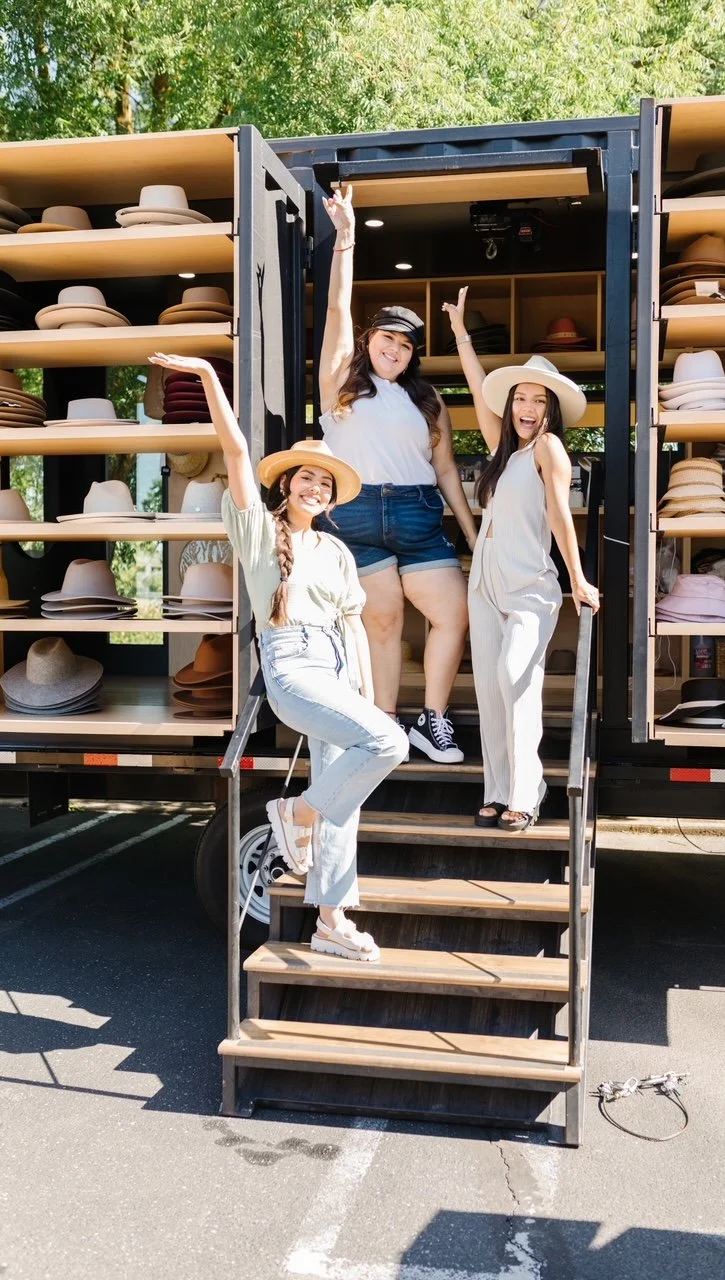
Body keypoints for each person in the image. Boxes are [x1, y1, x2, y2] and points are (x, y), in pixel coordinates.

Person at [150, 352, 409, 963]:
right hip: (292, 668)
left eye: (325, 482)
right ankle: (296, 812)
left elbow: (356, 628)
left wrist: (370, 702)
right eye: (305, 478)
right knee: (387, 747)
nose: (314, 487)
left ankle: (330, 919)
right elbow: (236, 453)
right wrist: (211, 380)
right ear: (285, 484)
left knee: (346, 793)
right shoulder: (261, 534)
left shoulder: (338, 552)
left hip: (339, 670)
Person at [317, 184, 478, 765]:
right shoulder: (340, 381)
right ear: (369, 339)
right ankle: (385, 725)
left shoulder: (429, 399)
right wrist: (346, 239)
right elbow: (337, 308)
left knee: (452, 614)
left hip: (417, 511)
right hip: (356, 511)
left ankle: (432, 720)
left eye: (407, 345)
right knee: (382, 624)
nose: (397, 349)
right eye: (388, 337)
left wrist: (472, 532)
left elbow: (446, 470)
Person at [442, 288, 601, 831]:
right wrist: (461, 331)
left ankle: (527, 790)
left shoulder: (549, 449)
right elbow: (473, 384)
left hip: (529, 584)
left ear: (550, 408)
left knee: (516, 679)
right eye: (520, 399)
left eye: (537, 401)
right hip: (483, 583)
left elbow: (560, 516)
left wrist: (578, 579)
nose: (527, 409)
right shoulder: (503, 451)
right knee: (488, 688)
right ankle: (498, 789)